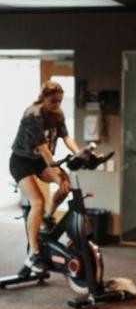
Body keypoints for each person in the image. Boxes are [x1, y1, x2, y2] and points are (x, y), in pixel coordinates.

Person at [10, 80, 81, 272]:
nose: (57, 105)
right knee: (37, 201)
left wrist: (81, 154)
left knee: (66, 184)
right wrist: (57, 172)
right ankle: (33, 254)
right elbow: (43, 149)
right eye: (53, 101)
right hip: (21, 161)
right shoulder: (32, 115)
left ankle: (48, 217)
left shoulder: (57, 114)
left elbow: (66, 138)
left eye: (59, 101)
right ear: (43, 98)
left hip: (40, 162)